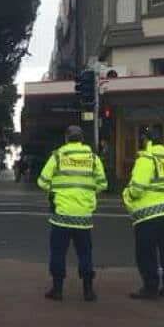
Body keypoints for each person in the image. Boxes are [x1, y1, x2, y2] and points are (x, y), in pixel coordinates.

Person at [37, 126, 108, 302]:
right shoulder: (92, 158)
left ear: (66, 138)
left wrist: (56, 190)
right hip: (83, 216)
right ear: (82, 139)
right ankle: (88, 291)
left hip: (61, 215)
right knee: (85, 253)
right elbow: (103, 184)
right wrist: (87, 193)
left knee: (58, 252)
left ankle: (58, 289)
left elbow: (42, 182)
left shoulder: (58, 156)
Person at [124, 128, 164, 300]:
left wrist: (128, 196)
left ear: (146, 141)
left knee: (146, 252)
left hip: (146, 214)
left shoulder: (146, 158)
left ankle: (150, 288)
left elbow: (137, 187)